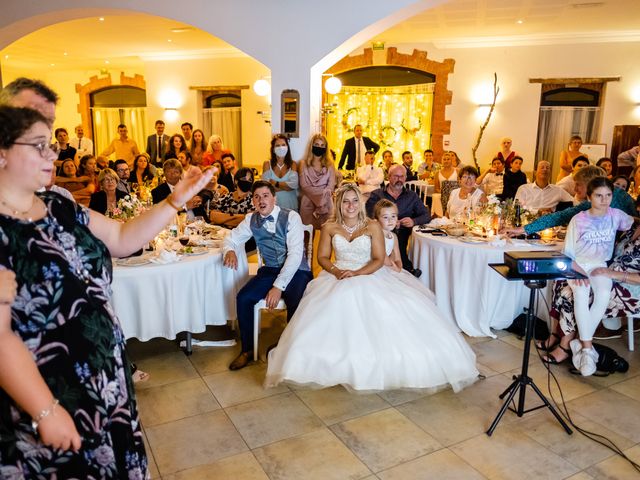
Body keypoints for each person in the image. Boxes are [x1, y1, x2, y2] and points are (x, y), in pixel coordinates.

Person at [0, 104, 213, 477]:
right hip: (48, 391)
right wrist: (45, 411)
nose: (52, 154)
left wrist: (174, 201)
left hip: (105, 378)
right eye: (38, 145)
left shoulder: (60, 204)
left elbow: (120, 236)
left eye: (50, 144)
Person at [264, 184, 478, 391]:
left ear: (360, 202)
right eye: (345, 201)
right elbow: (322, 257)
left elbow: (378, 259)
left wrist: (357, 273)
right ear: (338, 204)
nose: (350, 205)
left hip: (370, 273)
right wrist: (337, 271)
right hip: (338, 275)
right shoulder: (329, 226)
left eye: (355, 201)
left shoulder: (372, 226)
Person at [223, 180, 313, 371]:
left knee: (296, 299)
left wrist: (278, 286)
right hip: (270, 269)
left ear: (274, 198)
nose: (261, 200)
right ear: (253, 201)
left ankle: (291, 349)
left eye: (265, 195)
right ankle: (247, 350)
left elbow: (295, 255)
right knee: (244, 297)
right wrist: (229, 250)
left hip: (297, 270)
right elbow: (231, 237)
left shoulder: (291, 217)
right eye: (256, 197)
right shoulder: (250, 219)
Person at [562, 178, 633, 376]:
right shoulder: (579, 219)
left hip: (600, 266)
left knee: (603, 294)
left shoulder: (616, 215)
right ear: (589, 197)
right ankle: (586, 349)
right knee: (582, 294)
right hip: (578, 265)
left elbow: (632, 222)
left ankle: (584, 346)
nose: (604, 200)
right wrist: (578, 271)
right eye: (599, 196)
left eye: (608, 195)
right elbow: (567, 253)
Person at [547, 220, 640, 359]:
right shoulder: (632, 226)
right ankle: (555, 334)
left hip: (630, 286)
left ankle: (566, 345)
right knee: (561, 278)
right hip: (607, 273)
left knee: (572, 293)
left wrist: (612, 274)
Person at [508, 165, 636, 236]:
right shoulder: (617, 194)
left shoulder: (601, 200)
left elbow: (561, 216)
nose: (575, 189)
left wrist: (524, 229)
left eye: (578, 184)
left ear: (589, 183)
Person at [366, 164, 430, 277]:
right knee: (390, 235)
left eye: (402, 176)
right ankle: (406, 268)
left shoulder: (412, 196)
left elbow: (426, 215)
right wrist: (388, 223)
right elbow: (369, 216)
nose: (399, 180)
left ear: (405, 178)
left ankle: (401, 266)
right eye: (396, 176)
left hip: (404, 232)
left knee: (399, 237)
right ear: (389, 177)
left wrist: (413, 221)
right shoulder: (377, 194)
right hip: (380, 232)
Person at [299, 133, 337, 230]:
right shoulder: (303, 164)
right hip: (308, 204)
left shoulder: (330, 164)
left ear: (325, 148)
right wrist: (322, 196)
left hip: (326, 205)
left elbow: (331, 185)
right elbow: (304, 186)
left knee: (326, 233)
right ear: (312, 146)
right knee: (307, 234)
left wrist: (323, 199)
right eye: (316, 145)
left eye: (322, 145)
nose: (319, 147)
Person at [261, 134, 299, 211]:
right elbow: (266, 188)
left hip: (291, 206)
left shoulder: (293, 164)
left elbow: (294, 185)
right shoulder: (267, 164)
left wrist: (275, 183)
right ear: (273, 149)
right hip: (272, 207)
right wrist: (287, 187)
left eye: (283, 145)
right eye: (277, 145)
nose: (281, 147)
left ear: (287, 147)